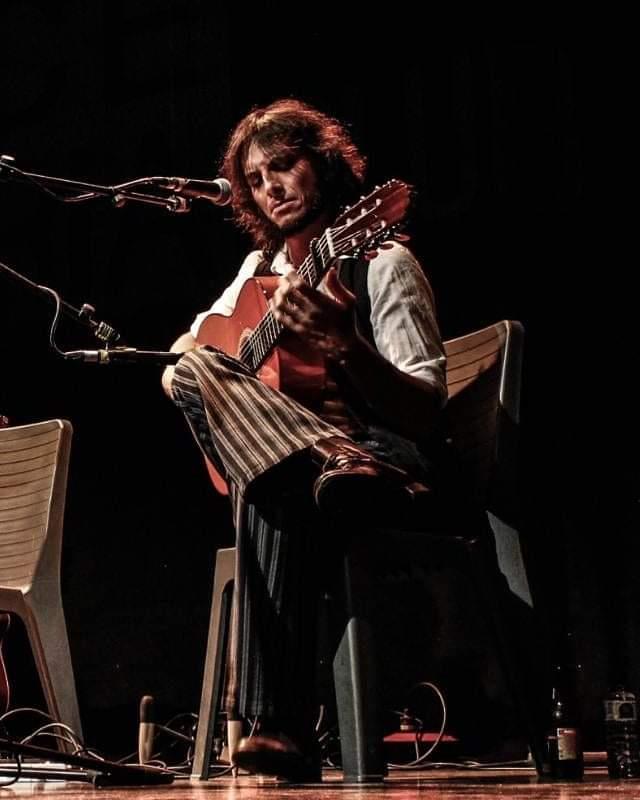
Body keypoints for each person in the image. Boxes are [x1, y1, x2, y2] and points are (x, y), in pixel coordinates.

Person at [161, 99, 449, 781]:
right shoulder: (257, 269)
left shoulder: (378, 260)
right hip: (321, 473)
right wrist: (206, 371)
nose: (272, 188)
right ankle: (316, 451)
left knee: (265, 479)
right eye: (256, 180)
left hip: (385, 467)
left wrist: (345, 345)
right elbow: (186, 350)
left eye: (284, 165)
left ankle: (279, 727)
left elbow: (425, 412)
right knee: (197, 377)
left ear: (321, 163)